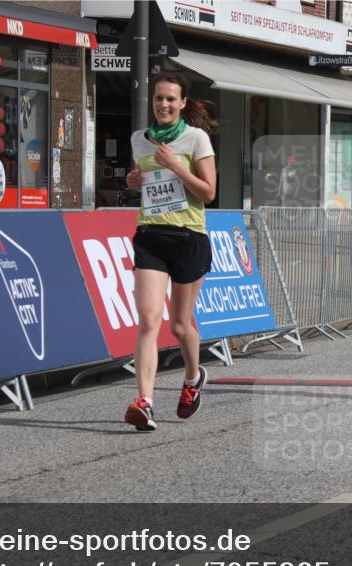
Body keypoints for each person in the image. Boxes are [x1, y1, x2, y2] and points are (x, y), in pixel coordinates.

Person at [123, 72, 218, 431]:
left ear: (182, 104)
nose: (163, 104)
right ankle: (144, 401)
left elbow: (208, 193)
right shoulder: (139, 140)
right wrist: (133, 182)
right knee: (148, 321)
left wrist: (177, 166)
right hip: (150, 234)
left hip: (188, 236)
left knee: (180, 326)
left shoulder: (196, 138)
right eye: (158, 98)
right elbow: (143, 182)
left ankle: (193, 379)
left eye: (170, 99)